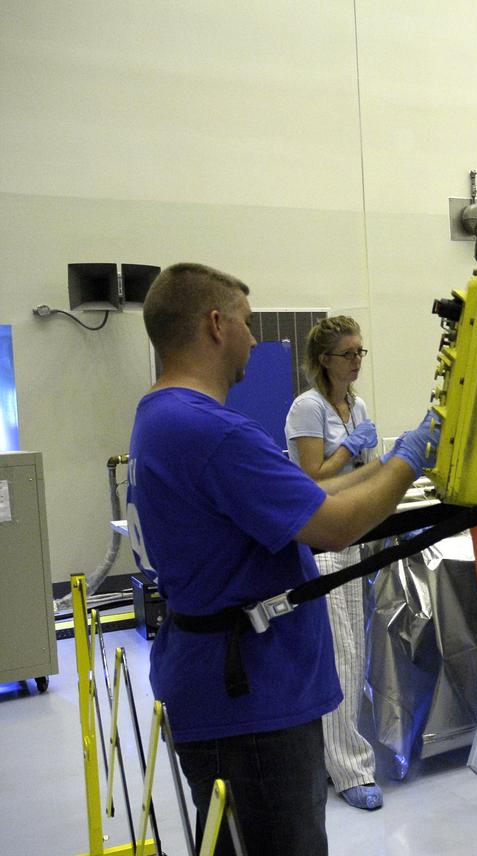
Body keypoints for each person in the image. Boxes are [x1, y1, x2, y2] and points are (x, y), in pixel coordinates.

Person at [126, 262, 437, 855]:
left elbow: (309, 498)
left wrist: (383, 466)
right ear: (215, 325)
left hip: (217, 682)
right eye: (246, 323)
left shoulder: (160, 418)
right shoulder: (210, 431)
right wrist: (411, 459)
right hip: (252, 705)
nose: (254, 338)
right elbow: (334, 526)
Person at [284, 316, 384, 810]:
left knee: (354, 654)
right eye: (349, 353)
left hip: (354, 537)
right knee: (342, 656)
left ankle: (333, 756)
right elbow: (311, 480)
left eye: (362, 351)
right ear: (325, 360)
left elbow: (363, 471)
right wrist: (348, 447)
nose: (357, 361)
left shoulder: (356, 404)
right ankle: (349, 770)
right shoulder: (308, 408)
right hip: (324, 546)